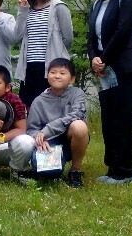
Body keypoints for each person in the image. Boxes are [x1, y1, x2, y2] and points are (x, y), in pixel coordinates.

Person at [86, 0, 132, 184]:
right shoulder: (96, 4)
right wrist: (94, 58)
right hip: (105, 70)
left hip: (125, 68)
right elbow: (92, 37)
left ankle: (125, 172)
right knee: (108, 118)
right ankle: (112, 168)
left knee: (123, 118)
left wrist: (103, 58)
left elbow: (123, 31)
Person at [23, 58, 89, 188]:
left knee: (79, 126)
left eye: (62, 73)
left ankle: (75, 171)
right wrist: (40, 139)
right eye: (53, 72)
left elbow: (77, 114)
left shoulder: (77, 93)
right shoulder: (38, 100)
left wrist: (47, 130)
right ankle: (44, 167)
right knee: (50, 174)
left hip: (70, 138)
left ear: (72, 79)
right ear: (47, 76)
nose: (57, 76)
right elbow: (32, 129)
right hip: (49, 142)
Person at [14, 0, 73, 108]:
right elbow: (17, 36)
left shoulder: (58, 6)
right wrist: (23, 9)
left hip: (51, 67)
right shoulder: (27, 9)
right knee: (30, 107)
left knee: (53, 108)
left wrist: (56, 56)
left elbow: (68, 39)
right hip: (29, 67)